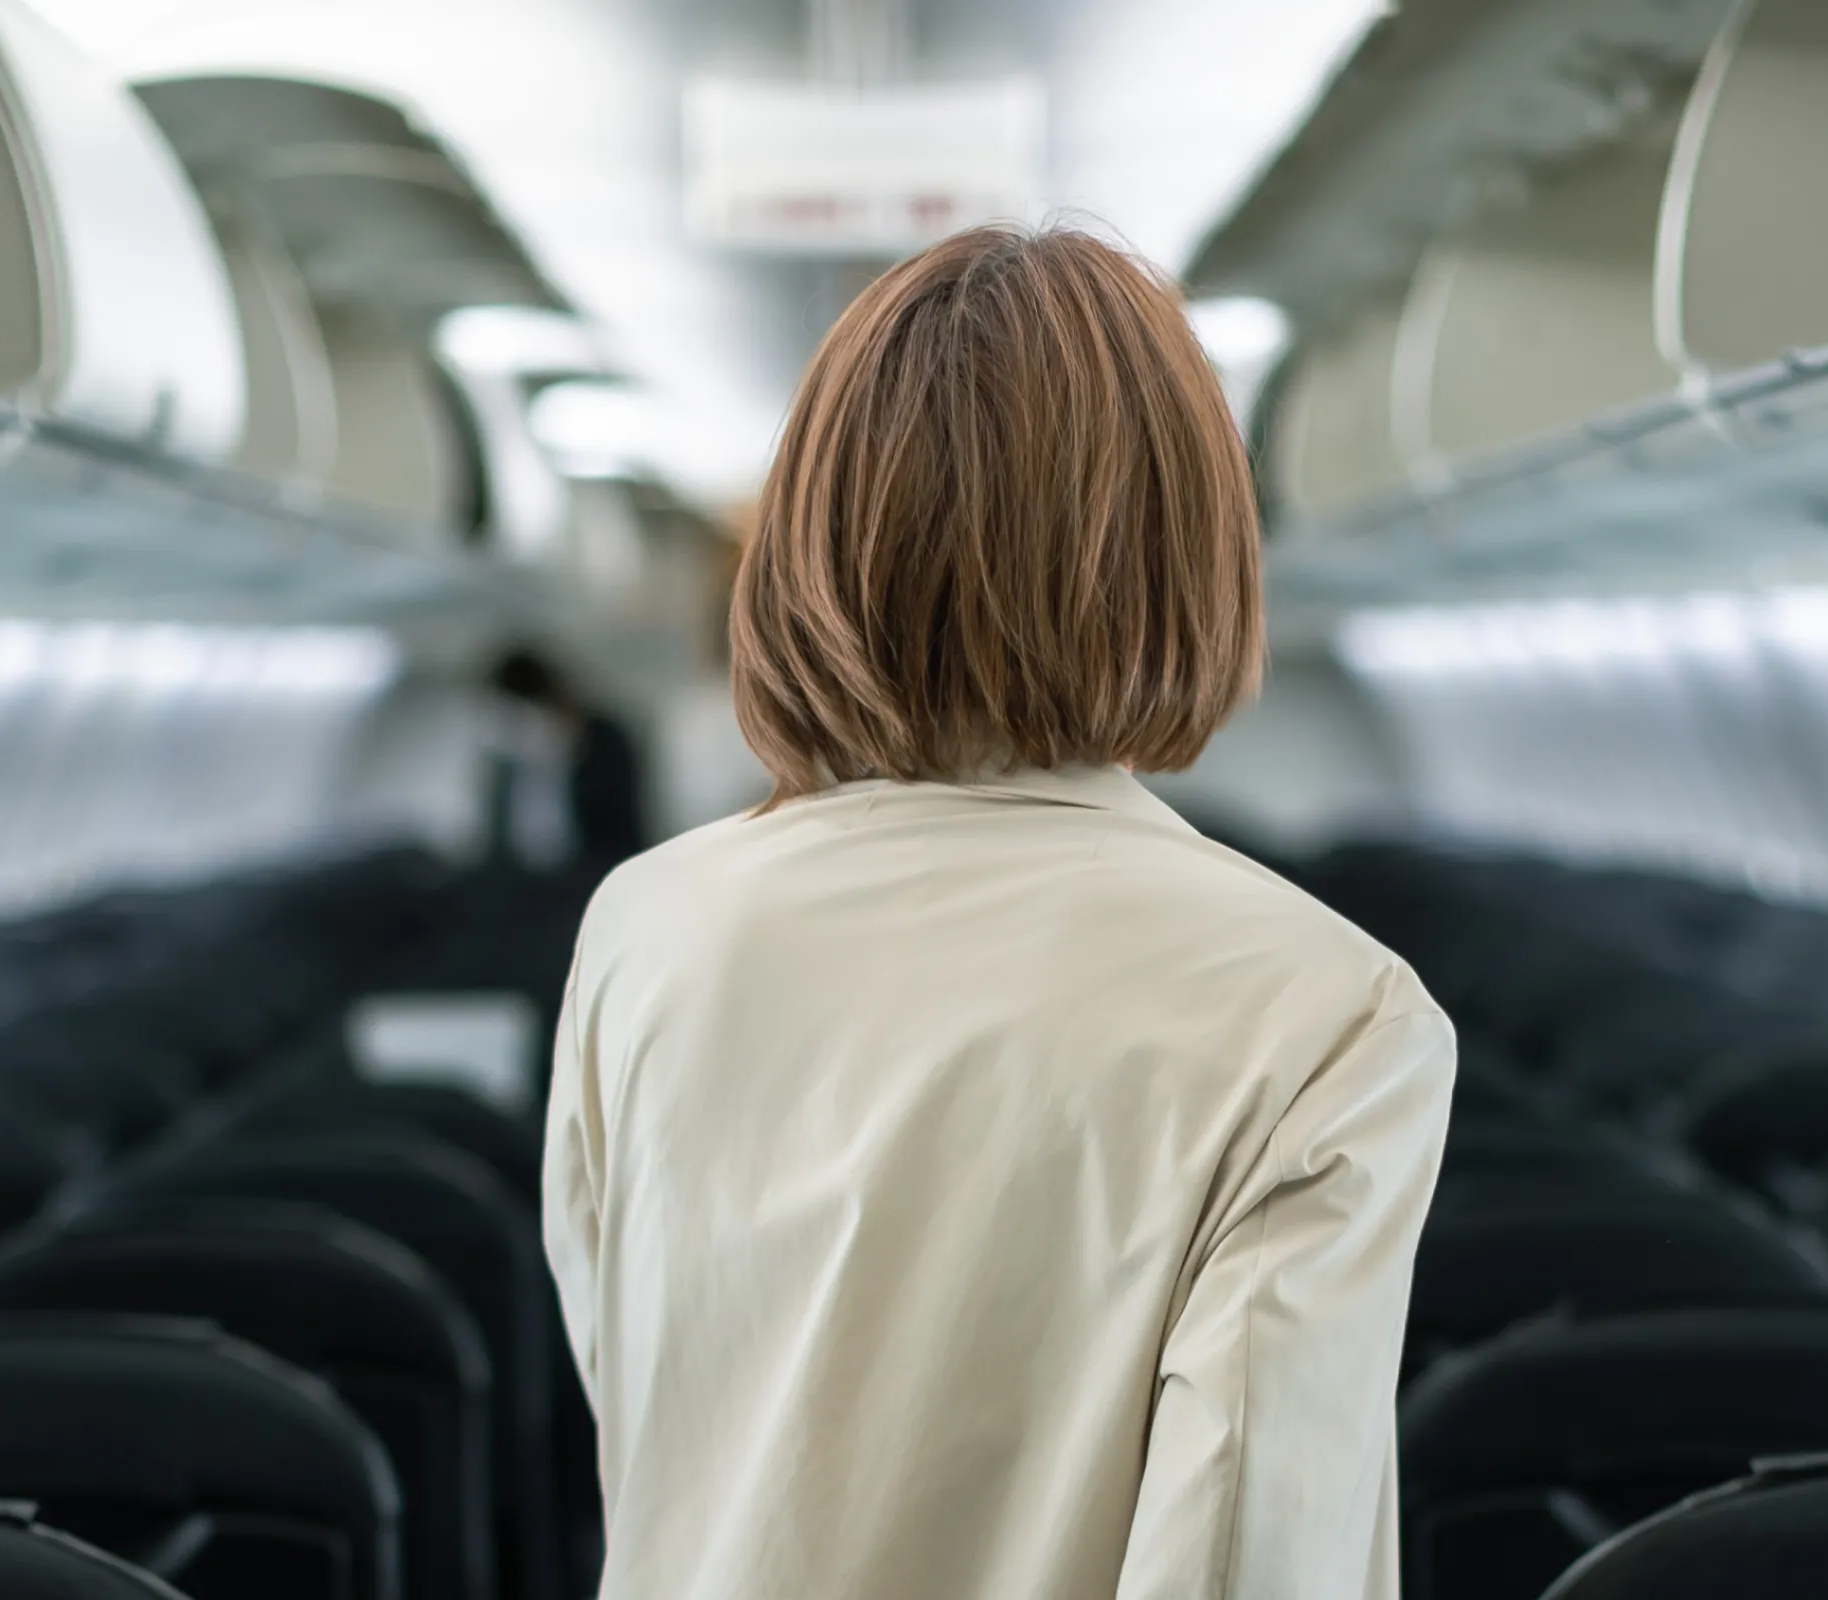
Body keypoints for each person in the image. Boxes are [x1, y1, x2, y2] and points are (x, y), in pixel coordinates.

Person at [541, 224, 1456, 1600]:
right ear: (1183, 549)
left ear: (813, 543)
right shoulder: (1330, 1012)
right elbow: (1251, 1561)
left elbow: (650, 1422)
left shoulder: (646, 929)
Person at [489, 647, 652, 862]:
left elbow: (618, 818)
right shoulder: (507, 755)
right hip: (526, 874)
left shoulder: (601, 739)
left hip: (593, 864)